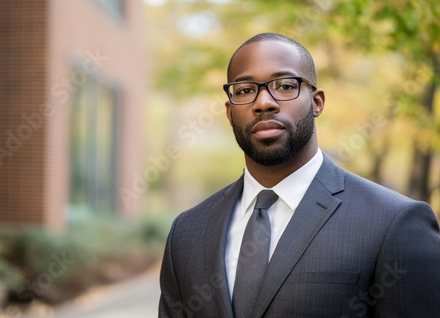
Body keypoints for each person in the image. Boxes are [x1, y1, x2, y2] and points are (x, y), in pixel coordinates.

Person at [158, 32, 440, 318]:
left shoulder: (394, 223)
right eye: (245, 90)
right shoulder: (187, 232)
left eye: (284, 85)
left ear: (317, 102)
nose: (263, 102)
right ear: (230, 113)